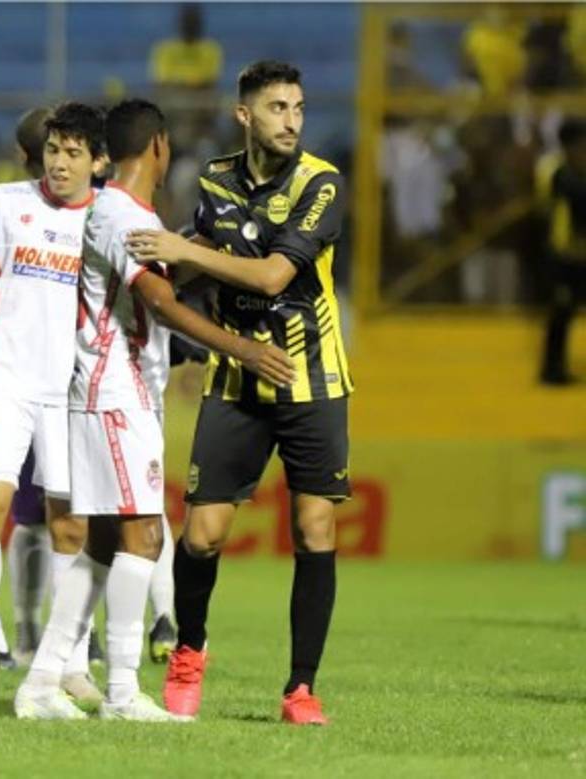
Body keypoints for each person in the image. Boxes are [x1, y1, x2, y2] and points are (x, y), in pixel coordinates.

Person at [14, 98, 294, 722]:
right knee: (145, 536)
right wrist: (243, 349)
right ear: (160, 146)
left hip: (115, 390)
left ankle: (41, 682)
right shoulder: (121, 214)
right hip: (115, 392)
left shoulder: (124, 213)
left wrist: (198, 252)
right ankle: (121, 691)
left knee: (103, 545)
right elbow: (162, 303)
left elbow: (157, 286)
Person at [126, 60, 352, 726]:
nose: (292, 121)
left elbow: (274, 276)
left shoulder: (321, 182)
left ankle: (301, 688)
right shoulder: (215, 180)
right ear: (245, 115)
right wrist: (158, 276)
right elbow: (200, 260)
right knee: (201, 535)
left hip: (312, 378)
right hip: (235, 378)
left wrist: (182, 250)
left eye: (299, 108)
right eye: (278, 108)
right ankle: (188, 652)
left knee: (314, 528)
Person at [0, 102, 106, 704]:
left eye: (73, 153)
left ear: (98, 161)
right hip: (6, 382)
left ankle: (71, 662)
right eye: (53, 151)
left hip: (74, 391)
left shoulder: (108, 219)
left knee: (71, 524)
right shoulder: (2, 203)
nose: (60, 163)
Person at [539, 118, 586, 385]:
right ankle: (552, 369)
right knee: (561, 311)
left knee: (564, 312)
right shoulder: (560, 174)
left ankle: (555, 367)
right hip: (563, 257)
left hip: (578, 257)